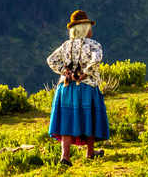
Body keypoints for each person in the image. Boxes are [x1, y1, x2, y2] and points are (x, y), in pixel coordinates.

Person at [46, 10, 111, 167]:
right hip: (87, 87)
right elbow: (96, 59)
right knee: (90, 118)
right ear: (85, 29)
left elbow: (51, 60)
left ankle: (65, 157)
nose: (91, 30)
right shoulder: (94, 45)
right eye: (89, 27)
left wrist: (66, 72)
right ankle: (90, 153)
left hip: (66, 87)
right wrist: (84, 74)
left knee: (67, 120)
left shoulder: (66, 45)